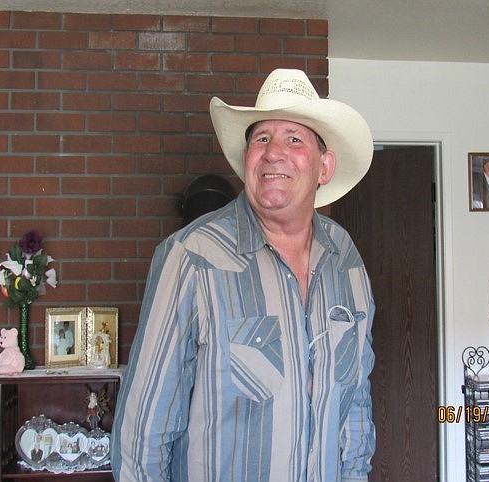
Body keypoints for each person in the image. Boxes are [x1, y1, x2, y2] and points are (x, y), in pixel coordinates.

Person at [111, 68, 376, 482]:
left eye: (294, 138)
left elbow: (355, 402)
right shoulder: (192, 257)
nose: (273, 153)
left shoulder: (347, 260)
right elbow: (142, 433)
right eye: (261, 138)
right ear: (247, 158)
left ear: (324, 168)